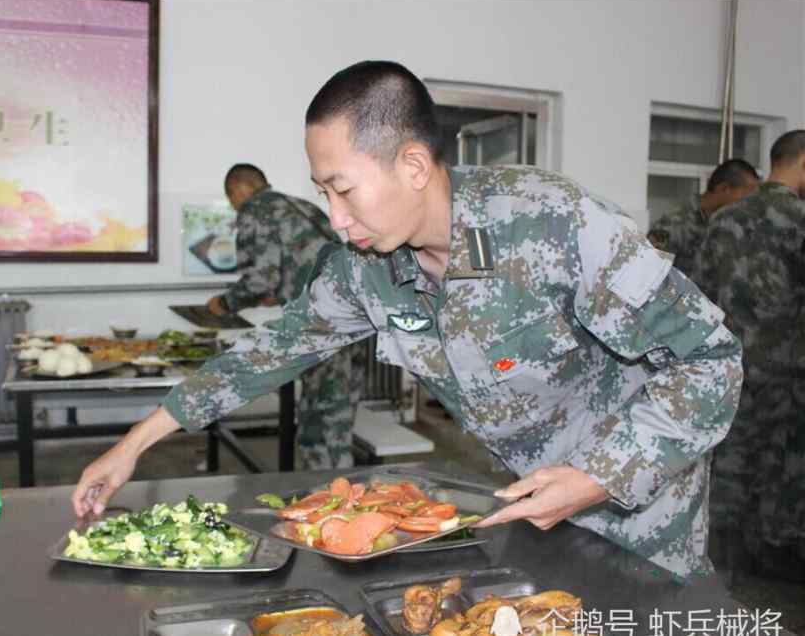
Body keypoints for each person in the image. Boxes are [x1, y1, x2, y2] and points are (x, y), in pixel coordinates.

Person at [74, 61, 742, 579]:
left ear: (414, 165)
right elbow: (269, 350)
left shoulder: (552, 224)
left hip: (640, 507)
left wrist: (597, 475)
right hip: (528, 503)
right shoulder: (366, 266)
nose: (334, 218)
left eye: (343, 190)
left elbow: (712, 361)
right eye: (322, 193)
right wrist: (134, 442)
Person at [695, 130, 805, 581]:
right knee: (784, 469)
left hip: (730, 367)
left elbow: (700, 294)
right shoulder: (799, 219)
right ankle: (775, 566)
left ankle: (719, 566)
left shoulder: (723, 221)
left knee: (730, 464)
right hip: (789, 376)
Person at [204, 163, 366, 469]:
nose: (233, 206)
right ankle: (344, 499)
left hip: (322, 326)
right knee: (337, 421)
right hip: (356, 316)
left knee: (317, 428)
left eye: (231, 199)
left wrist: (224, 303)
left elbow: (260, 279)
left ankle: (325, 502)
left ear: (239, 189)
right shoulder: (303, 207)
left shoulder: (255, 211)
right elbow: (306, 266)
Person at [647, 159, 759, 279]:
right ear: (724, 188)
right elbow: (646, 272)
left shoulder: (731, 224)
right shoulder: (675, 224)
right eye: (746, 196)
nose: (748, 203)